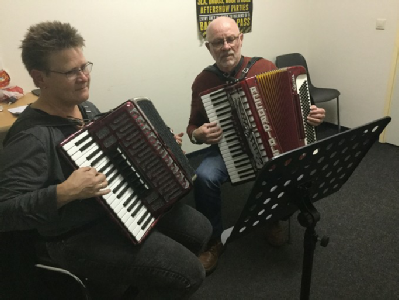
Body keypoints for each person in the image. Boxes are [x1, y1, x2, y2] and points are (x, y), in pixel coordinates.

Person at [0, 21, 212, 299]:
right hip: (76, 234)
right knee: (190, 273)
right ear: (40, 78)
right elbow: (5, 212)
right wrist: (64, 192)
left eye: (84, 67)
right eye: (70, 72)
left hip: (117, 205)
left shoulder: (85, 108)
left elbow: (109, 156)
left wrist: (158, 150)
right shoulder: (32, 137)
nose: (83, 77)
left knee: (201, 230)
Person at [187, 16, 326, 275]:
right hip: (229, 151)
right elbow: (192, 127)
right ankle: (214, 239)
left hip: (274, 148)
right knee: (204, 177)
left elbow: (294, 109)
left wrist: (311, 116)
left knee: (292, 169)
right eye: (218, 42)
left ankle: (274, 219)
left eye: (231, 39)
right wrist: (200, 135)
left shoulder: (264, 67)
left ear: (241, 39)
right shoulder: (203, 81)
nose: (226, 46)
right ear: (209, 48)